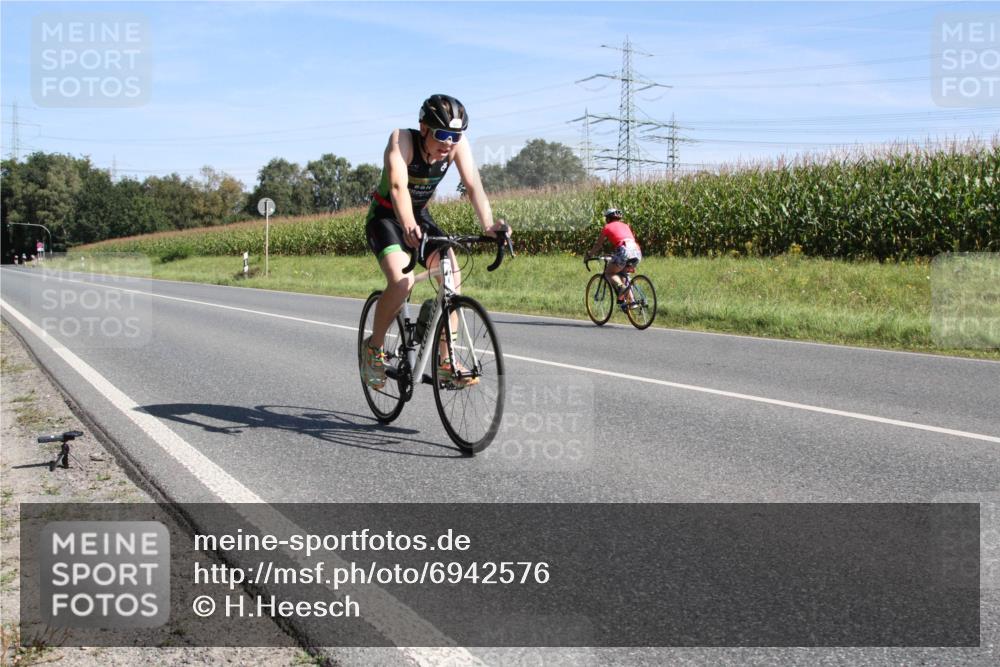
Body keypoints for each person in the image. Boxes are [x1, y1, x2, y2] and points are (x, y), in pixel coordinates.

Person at [361, 94, 509, 389]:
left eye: (456, 136)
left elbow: (473, 185)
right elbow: (397, 187)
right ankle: (373, 350)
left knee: (452, 277)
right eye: (442, 134)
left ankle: (446, 362)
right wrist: (407, 225)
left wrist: (489, 225)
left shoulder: (455, 146)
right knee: (403, 284)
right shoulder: (402, 140)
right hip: (387, 218)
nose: (449, 143)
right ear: (424, 128)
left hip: (419, 216)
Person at [588, 208, 642, 311]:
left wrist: (589, 255)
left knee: (609, 273)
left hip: (624, 250)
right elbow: (625, 238)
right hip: (636, 250)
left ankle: (621, 288)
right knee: (623, 274)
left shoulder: (607, 227)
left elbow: (598, 245)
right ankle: (632, 302)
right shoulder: (626, 226)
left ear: (608, 218)